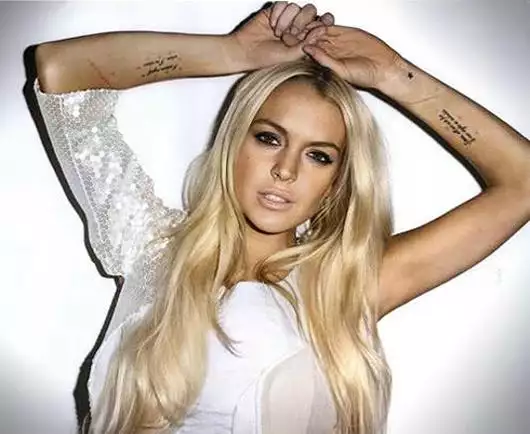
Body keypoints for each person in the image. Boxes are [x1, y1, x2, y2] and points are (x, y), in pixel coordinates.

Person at [33, 2, 530, 434]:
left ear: (337, 182)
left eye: (319, 156)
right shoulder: (151, 247)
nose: (286, 170)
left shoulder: (347, 285)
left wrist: (393, 75)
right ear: (234, 145)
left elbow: (522, 183)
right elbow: (61, 71)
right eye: (269, 138)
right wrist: (231, 53)